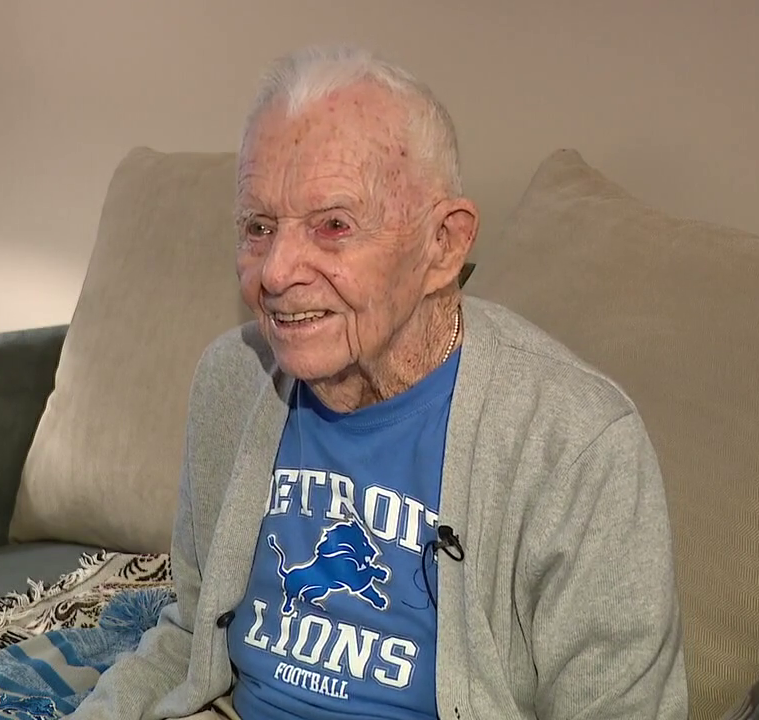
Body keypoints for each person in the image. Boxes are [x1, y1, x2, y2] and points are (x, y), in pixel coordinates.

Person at [71, 44, 688, 720]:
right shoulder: (232, 379)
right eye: (257, 226)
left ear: (443, 245)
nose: (276, 271)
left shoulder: (577, 444)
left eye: (333, 226)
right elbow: (192, 634)